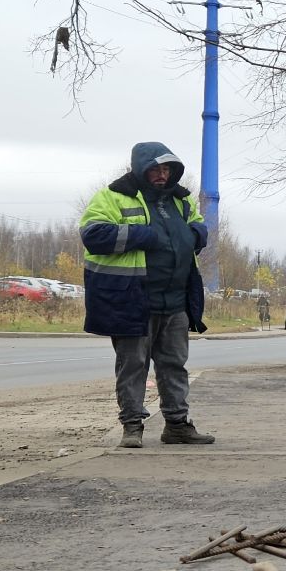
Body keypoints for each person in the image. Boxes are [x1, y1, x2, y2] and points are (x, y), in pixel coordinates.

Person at [80, 142, 216, 449]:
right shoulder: (113, 196)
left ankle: (177, 426)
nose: (161, 175)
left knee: (174, 366)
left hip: (175, 300)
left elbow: (199, 228)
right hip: (132, 298)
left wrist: (192, 235)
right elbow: (93, 235)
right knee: (133, 366)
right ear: (140, 168)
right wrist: (144, 235)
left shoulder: (180, 202)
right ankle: (132, 426)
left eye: (167, 169)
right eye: (155, 169)